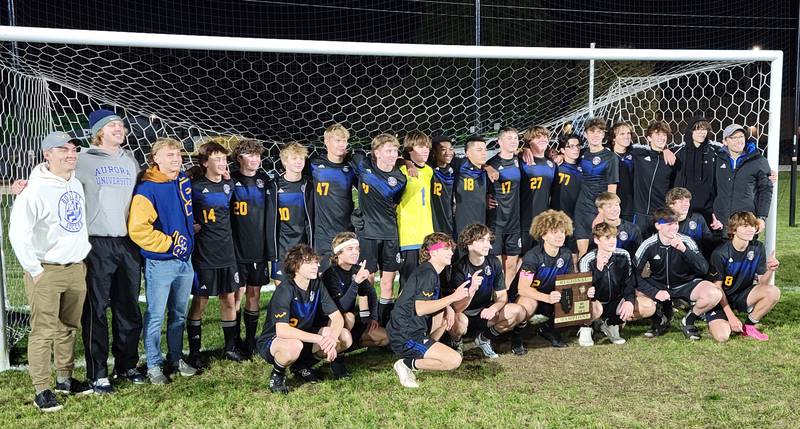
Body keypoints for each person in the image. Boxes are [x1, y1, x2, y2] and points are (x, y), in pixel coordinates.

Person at [11, 109, 145, 393]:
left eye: (121, 125)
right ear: (98, 131)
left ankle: (127, 365)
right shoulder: (80, 161)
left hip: (128, 243)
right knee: (95, 310)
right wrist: (23, 184)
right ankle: (98, 373)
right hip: (95, 244)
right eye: (112, 126)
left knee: (129, 307)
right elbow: (47, 175)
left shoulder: (131, 160)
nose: (119, 129)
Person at [10, 131, 93, 411]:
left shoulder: (76, 184)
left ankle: (65, 379)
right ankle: (41, 390)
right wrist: (34, 269)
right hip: (46, 270)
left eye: (73, 149)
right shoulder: (34, 189)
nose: (71, 154)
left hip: (75, 268)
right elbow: (18, 234)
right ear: (47, 154)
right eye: (63, 150)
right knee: (43, 331)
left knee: (67, 327)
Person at [128, 137, 197, 384]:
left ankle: (175, 357)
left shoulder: (182, 180)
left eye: (178, 154)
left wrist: (189, 235)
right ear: (155, 158)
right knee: (156, 315)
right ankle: (154, 365)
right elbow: (138, 229)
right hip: (161, 262)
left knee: (179, 314)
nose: (176, 158)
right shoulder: (148, 188)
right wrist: (169, 243)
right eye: (169, 154)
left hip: (184, 261)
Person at [256, 245, 351, 394]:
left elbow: (337, 317)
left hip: (305, 336)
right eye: (309, 262)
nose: (316, 266)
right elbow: (282, 331)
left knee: (344, 336)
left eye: (315, 262)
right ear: (295, 266)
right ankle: (277, 374)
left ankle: (301, 366)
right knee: (294, 346)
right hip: (275, 340)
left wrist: (331, 338)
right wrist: (319, 339)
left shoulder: (317, 284)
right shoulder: (285, 290)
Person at [186, 142, 245, 366]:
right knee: (200, 301)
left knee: (229, 299)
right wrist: (191, 224)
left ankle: (230, 348)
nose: (222, 163)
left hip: (227, 252)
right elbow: (185, 212)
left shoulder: (229, 185)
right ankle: (194, 352)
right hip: (204, 253)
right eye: (216, 159)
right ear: (204, 163)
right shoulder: (194, 187)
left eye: (223, 159)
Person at [387, 233, 471, 388]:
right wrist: (453, 297)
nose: (451, 253)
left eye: (451, 249)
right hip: (406, 335)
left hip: (408, 329)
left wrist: (448, 308)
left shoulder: (429, 271)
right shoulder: (428, 273)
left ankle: (425, 350)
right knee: (453, 360)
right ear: (433, 252)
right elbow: (420, 309)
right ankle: (406, 363)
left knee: (444, 316)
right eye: (446, 248)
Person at [634, 208, 722, 340]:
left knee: (715, 294)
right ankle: (659, 319)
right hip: (659, 284)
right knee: (634, 290)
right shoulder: (648, 244)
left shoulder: (687, 241)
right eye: (669, 224)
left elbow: (704, 268)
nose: (674, 227)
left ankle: (689, 320)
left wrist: (684, 249)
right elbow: (633, 274)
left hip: (685, 284)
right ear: (658, 225)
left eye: (675, 223)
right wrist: (654, 292)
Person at [446, 224, 525, 358]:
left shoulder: (493, 262)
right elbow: (456, 308)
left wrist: (494, 308)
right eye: (482, 240)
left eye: (488, 240)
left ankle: (483, 339)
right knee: (457, 321)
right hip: (464, 315)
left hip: (485, 313)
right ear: (469, 244)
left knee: (519, 311)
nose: (488, 245)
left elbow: (502, 296)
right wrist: (471, 291)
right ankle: (456, 343)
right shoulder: (459, 268)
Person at [352, 134, 407, 325]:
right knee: (365, 281)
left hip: (390, 234)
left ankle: (384, 324)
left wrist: (405, 162)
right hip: (367, 233)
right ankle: (366, 326)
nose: (393, 155)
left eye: (395, 151)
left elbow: (391, 200)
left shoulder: (400, 178)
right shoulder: (362, 164)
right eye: (388, 151)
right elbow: (355, 155)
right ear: (377, 152)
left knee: (387, 283)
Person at [705, 212, 781, 342]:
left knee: (773, 292)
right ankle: (711, 318)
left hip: (742, 295)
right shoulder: (720, 253)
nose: (750, 229)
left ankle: (749, 326)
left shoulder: (758, 247)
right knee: (722, 337)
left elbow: (763, 282)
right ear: (734, 230)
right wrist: (731, 316)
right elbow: (718, 288)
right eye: (745, 226)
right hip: (719, 299)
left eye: (752, 226)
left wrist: (770, 270)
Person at [577, 223, 655, 346]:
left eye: (614, 237)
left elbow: (629, 283)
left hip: (615, 302)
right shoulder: (587, 259)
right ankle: (586, 327)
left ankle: (611, 324)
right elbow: (582, 291)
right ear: (597, 240)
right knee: (594, 307)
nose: (612, 241)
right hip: (595, 303)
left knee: (648, 306)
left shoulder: (623, 255)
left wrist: (629, 301)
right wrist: (598, 270)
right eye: (607, 238)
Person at [509, 210, 575, 353]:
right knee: (528, 302)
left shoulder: (567, 254)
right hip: (527, 297)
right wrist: (547, 298)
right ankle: (517, 335)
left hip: (549, 297)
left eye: (562, 232)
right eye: (554, 232)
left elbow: (570, 282)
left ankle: (548, 329)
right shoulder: (533, 256)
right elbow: (523, 289)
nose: (560, 236)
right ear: (543, 235)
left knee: (572, 298)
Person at [230, 139, 272, 356]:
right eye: (250, 155)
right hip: (237, 249)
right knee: (237, 294)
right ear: (239, 158)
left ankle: (250, 340)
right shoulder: (230, 180)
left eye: (258, 156)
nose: (255, 159)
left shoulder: (265, 181)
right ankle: (234, 340)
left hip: (259, 248)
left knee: (254, 293)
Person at [321, 232, 387, 356]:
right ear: (338, 252)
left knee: (384, 338)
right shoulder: (330, 274)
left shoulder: (355, 269)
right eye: (350, 249)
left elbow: (371, 293)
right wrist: (356, 282)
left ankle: (348, 346)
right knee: (349, 317)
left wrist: (373, 317)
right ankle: (337, 355)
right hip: (330, 324)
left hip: (350, 322)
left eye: (357, 248)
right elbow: (341, 308)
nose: (355, 252)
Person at [309, 123, 357, 271]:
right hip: (323, 233)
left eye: (344, 141)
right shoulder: (313, 164)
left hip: (346, 230)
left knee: (346, 274)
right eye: (338, 141)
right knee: (324, 274)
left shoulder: (351, 167)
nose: (342, 145)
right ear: (326, 142)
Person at [267, 142, 314, 285]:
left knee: (303, 284)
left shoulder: (309, 185)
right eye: (294, 158)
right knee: (282, 287)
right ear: (284, 161)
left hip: (304, 243)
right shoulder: (274, 186)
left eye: (301, 158)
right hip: (282, 244)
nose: (299, 161)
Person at [712, 124, 772, 233]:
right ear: (725, 141)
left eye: (741, 137)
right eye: (734, 137)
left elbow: (765, 190)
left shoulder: (758, 160)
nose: (739, 141)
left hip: (746, 221)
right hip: (720, 222)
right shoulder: (717, 159)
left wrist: (761, 217)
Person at [574, 118, 619, 258]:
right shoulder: (581, 154)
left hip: (599, 209)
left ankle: (600, 279)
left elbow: (612, 189)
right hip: (582, 208)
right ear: (586, 134)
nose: (595, 135)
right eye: (592, 132)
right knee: (582, 251)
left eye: (599, 132)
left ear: (603, 135)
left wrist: (602, 213)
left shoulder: (610, 157)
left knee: (601, 249)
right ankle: (583, 279)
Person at [485, 127, 523, 287]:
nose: (513, 141)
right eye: (509, 138)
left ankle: (504, 298)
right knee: (497, 267)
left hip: (514, 223)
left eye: (515, 138)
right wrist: (485, 198)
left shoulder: (520, 161)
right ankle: (496, 299)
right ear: (499, 142)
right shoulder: (490, 164)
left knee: (512, 266)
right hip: (496, 223)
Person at [397, 131, 434, 289]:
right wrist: (406, 163)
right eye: (420, 146)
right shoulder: (401, 171)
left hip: (427, 235)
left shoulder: (429, 171)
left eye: (427, 146)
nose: (425, 149)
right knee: (408, 282)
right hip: (408, 236)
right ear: (410, 149)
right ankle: (402, 313)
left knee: (426, 280)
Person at [630, 121, 677, 236]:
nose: (661, 138)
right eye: (657, 134)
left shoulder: (672, 158)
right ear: (649, 138)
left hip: (661, 213)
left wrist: (665, 150)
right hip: (640, 213)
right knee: (637, 247)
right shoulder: (639, 154)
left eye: (664, 135)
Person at [519, 126, 558, 255]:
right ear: (529, 141)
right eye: (537, 137)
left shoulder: (552, 164)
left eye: (545, 136)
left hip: (543, 222)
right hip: (523, 221)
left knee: (539, 258)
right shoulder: (521, 161)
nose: (543, 139)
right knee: (521, 259)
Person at [673, 118, 719, 224]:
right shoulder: (678, 152)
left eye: (704, 129)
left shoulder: (714, 151)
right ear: (691, 131)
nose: (702, 132)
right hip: (684, 208)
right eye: (698, 129)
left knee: (707, 239)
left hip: (707, 209)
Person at [665, 187, 721, 258]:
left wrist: (718, 231)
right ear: (671, 205)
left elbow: (710, 244)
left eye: (687, 201)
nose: (686, 204)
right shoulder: (663, 223)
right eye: (681, 201)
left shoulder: (697, 219)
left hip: (694, 264)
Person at [453, 136, 489, 238]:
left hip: (482, 225)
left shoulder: (488, 171)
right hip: (462, 226)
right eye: (479, 150)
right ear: (468, 153)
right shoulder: (460, 165)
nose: (483, 153)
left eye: (485, 150)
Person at [608, 122, 635, 222]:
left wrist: (666, 150)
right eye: (622, 134)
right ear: (614, 138)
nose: (627, 136)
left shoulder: (635, 154)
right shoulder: (607, 157)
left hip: (631, 207)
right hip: (613, 207)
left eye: (628, 133)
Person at [430, 135, 456, 237]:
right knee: (436, 250)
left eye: (451, 149)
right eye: (443, 150)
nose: (448, 153)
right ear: (434, 152)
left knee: (448, 251)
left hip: (450, 222)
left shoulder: (456, 169)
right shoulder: (428, 170)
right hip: (434, 224)